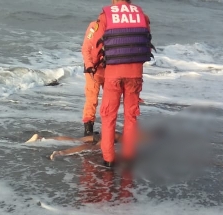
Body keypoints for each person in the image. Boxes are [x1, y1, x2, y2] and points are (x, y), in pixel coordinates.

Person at [87, 0, 153, 167]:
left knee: (109, 116)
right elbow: (146, 43)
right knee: (131, 116)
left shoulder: (106, 16)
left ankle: (109, 159)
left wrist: (93, 65)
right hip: (135, 74)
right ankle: (129, 155)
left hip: (113, 74)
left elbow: (96, 46)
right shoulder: (142, 16)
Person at [81, 19, 106, 136]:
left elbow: (86, 47)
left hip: (107, 68)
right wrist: (90, 65)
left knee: (109, 101)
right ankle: (88, 130)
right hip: (94, 69)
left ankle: (106, 128)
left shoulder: (95, 26)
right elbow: (86, 47)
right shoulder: (94, 26)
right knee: (92, 99)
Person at [26, 132, 122, 160]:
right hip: (113, 135)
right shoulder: (135, 138)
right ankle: (62, 152)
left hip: (110, 132)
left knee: (77, 140)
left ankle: (42, 139)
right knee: (93, 148)